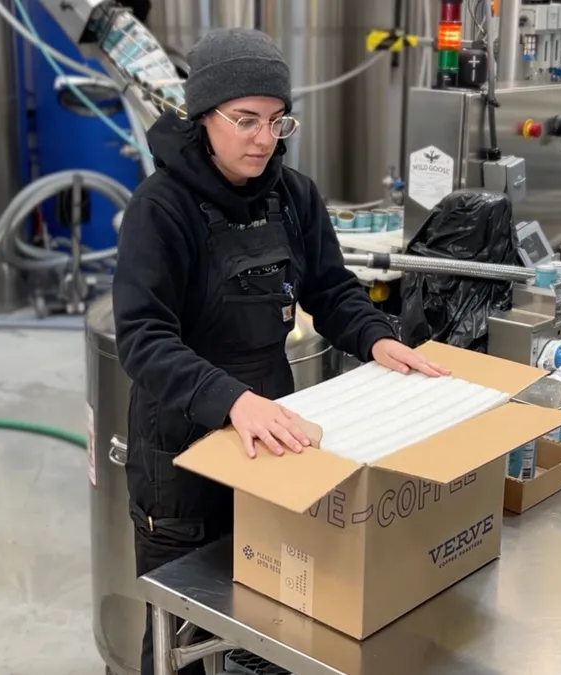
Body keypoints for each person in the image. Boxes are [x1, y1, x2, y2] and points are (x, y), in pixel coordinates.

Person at [112, 28, 447, 674]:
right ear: (203, 116)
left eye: (276, 120)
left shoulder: (292, 196)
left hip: (270, 453)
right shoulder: (162, 210)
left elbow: (329, 288)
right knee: (179, 640)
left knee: (268, 630)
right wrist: (232, 400)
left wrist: (377, 336)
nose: (264, 139)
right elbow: (144, 339)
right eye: (245, 121)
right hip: (180, 465)